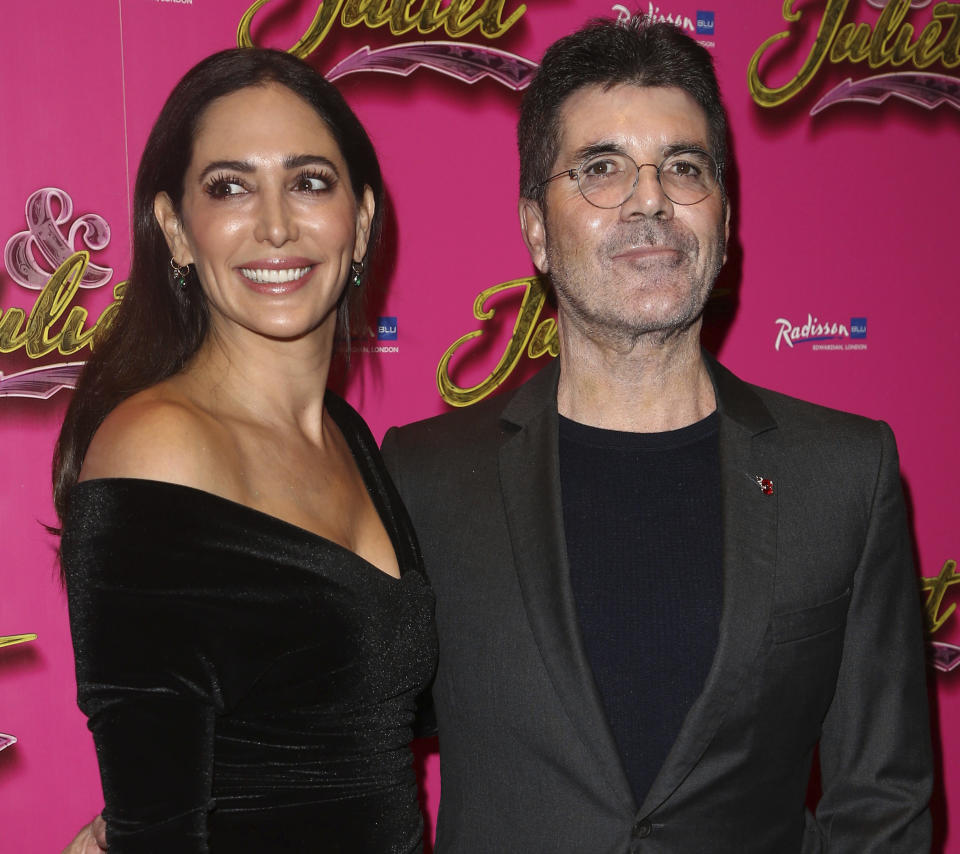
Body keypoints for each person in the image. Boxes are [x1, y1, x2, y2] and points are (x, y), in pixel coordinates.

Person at [380, 14, 933, 853]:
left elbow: (884, 804)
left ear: (724, 215)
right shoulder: (423, 476)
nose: (650, 199)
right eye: (601, 168)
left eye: (684, 167)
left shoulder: (845, 473)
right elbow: (344, 743)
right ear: (536, 228)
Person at [55, 48, 436, 853]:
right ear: (175, 231)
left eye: (309, 182)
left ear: (360, 223)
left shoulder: (350, 439)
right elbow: (157, 833)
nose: (274, 225)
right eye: (229, 187)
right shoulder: (158, 448)